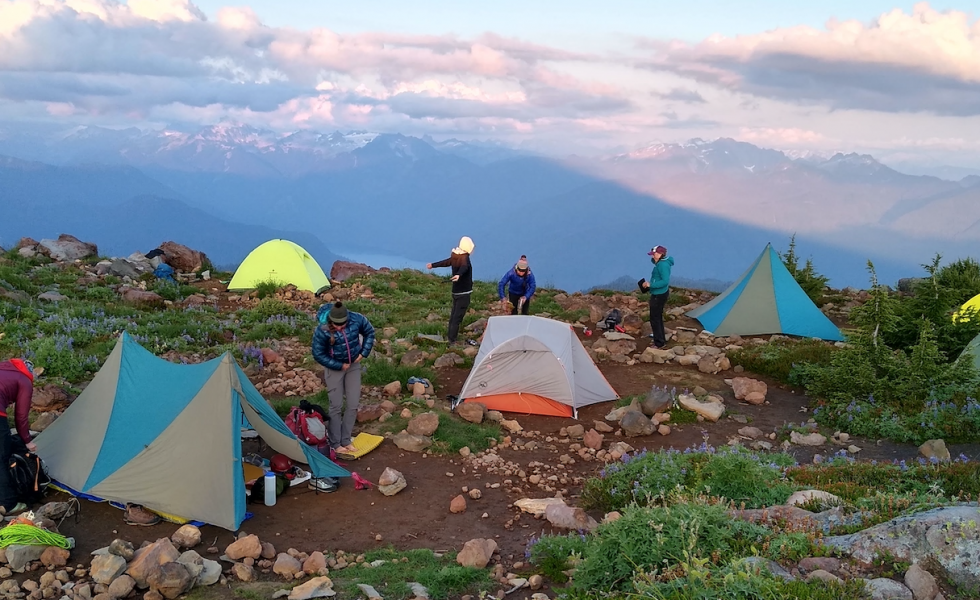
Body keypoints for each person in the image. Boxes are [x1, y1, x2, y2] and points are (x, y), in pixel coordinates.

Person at [312, 301, 376, 470]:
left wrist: (363, 353)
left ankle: (346, 440)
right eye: (336, 325)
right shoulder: (322, 329)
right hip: (335, 368)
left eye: (343, 325)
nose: (340, 328)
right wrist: (338, 365)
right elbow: (318, 353)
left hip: (354, 365)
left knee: (353, 404)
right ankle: (335, 443)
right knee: (336, 406)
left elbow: (369, 332)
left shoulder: (357, 319)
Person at [0, 358, 36, 515]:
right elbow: (21, 416)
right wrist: (27, 441)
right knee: (1, 456)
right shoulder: (25, 380)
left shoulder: (4, 369)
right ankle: (8, 504)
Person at [426, 236, 474, 344]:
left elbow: (447, 262)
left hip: (455, 291)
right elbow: (465, 267)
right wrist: (459, 275)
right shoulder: (464, 257)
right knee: (458, 317)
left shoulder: (455, 255)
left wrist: (433, 265)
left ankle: (450, 336)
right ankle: (452, 340)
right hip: (464, 292)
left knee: (453, 315)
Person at [640, 245, 674, 348]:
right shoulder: (660, 263)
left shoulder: (662, 265)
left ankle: (659, 343)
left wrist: (651, 285)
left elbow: (665, 281)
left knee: (655, 318)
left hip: (658, 295)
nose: (652, 256)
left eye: (654, 254)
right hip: (658, 293)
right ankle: (660, 339)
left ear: (660, 254)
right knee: (657, 317)